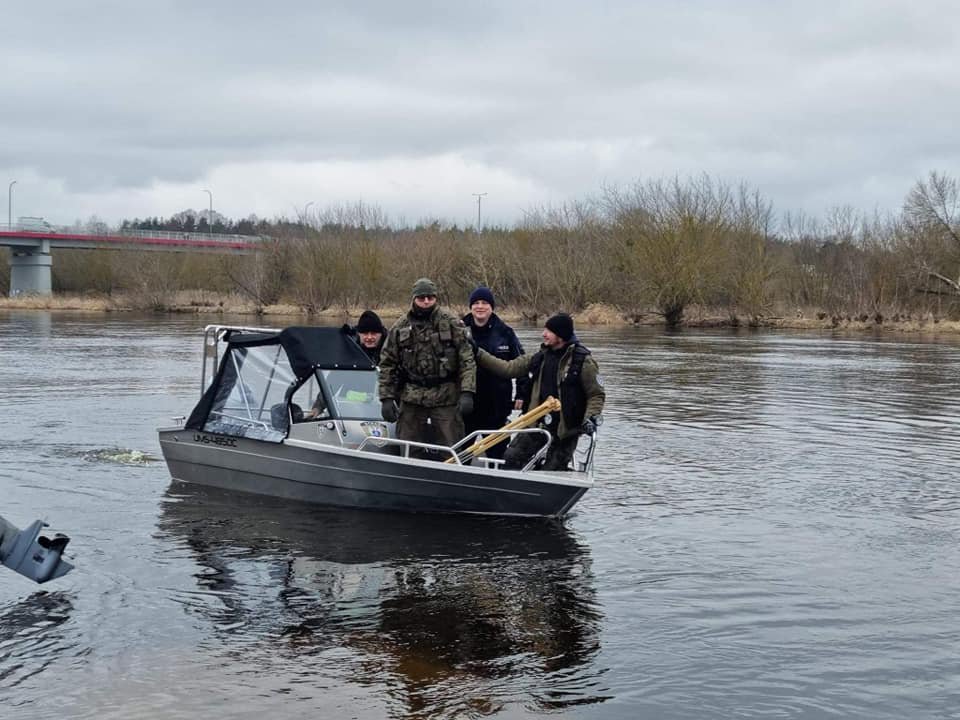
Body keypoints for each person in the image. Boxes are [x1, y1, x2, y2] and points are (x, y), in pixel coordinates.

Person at [475, 313, 605, 471]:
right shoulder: (540, 357)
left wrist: (590, 417)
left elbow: (596, 394)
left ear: (561, 335)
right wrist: (478, 353)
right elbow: (507, 368)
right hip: (537, 423)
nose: (543, 334)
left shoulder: (584, 362)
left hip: (565, 431)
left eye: (548, 331)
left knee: (552, 470)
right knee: (510, 458)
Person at [379, 278, 477, 450]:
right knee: (409, 449)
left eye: (430, 297)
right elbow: (387, 363)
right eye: (421, 298)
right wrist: (386, 397)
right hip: (412, 397)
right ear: (414, 299)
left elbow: (467, 359)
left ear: (435, 298)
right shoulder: (400, 326)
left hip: (445, 395)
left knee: (451, 449)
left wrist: (467, 392)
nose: (426, 301)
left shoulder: (451, 322)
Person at [462, 286, 526, 460]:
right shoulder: (459, 331)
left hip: (497, 406)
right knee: (462, 454)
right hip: (466, 405)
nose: (480, 307)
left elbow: (521, 365)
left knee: (497, 456)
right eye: (476, 303)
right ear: (470, 307)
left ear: (492, 307)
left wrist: (521, 393)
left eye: (484, 303)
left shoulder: (506, 333)